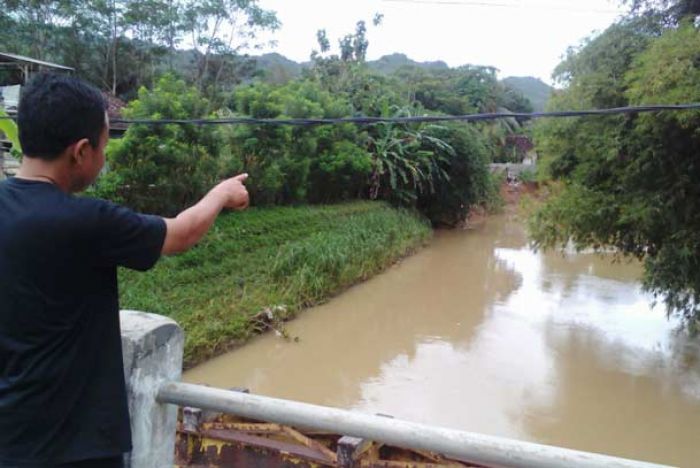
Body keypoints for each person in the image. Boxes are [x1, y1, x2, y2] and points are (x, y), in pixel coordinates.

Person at [0, 74, 249, 467]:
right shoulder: (85, 221)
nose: (105, 156)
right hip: (74, 449)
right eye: (104, 144)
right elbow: (180, 234)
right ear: (80, 151)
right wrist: (221, 194)